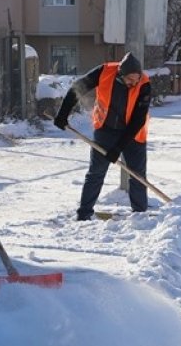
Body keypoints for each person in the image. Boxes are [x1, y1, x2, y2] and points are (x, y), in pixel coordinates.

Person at [53, 52, 152, 220]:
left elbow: (138, 119)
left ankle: (140, 216)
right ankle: (84, 214)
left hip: (133, 134)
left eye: (136, 80)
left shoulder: (144, 84)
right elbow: (77, 88)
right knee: (96, 173)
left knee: (137, 175)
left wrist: (118, 148)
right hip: (105, 129)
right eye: (130, 80)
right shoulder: (104, 72)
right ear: (121, 74)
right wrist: (63, 114)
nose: (134, 83)